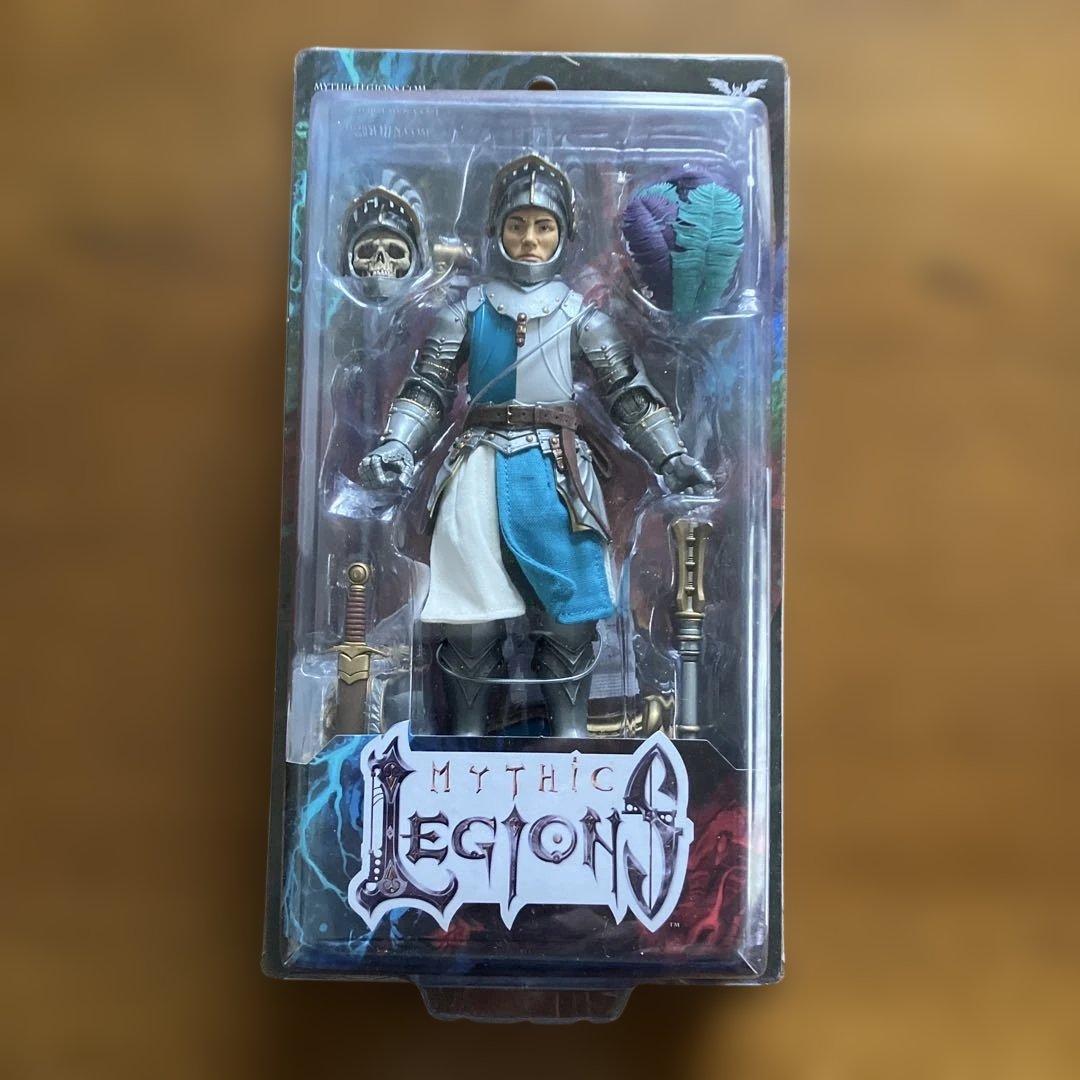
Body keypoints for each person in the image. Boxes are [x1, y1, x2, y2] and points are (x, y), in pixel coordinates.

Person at [360, 154, 711, 736]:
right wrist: (397, 445)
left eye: (543, 226)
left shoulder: (582, 316)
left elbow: (628, 392)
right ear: (496, 230)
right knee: (470, 616)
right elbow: (427, 386)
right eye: (517, 224)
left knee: (571, 614)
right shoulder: (466, 311)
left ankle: (570, 735)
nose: (529, 239)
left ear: (563, 235)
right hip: (477, 466)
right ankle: (466, 737)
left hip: (557, 474)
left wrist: (671, 458)